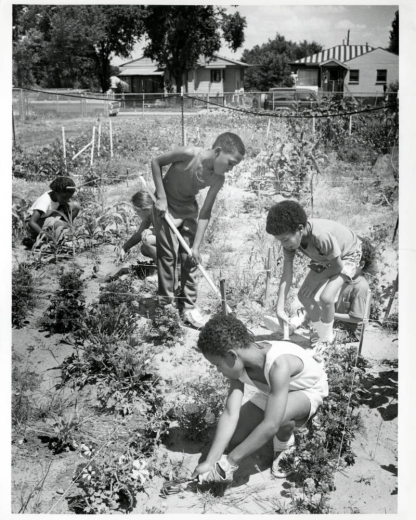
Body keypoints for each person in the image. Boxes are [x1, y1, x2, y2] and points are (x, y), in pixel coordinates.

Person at [191, 315, 328, 482]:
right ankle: (274, 425)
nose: (218, 370)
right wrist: (210, 461)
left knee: (279, 416)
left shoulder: (279, 364)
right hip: (272, 392)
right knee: (233, 440)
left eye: (217, 364)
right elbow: (230, 413)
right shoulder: (237, 365)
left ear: (232, 355)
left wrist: (230, 462)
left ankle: (285, 444)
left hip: (307, 390)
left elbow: (271, 424)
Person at [151, 132, 245, 328]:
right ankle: (166, 307)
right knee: (167, 258)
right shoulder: (189, 154)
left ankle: (189, 307)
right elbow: (156, 162)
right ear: (218, 151)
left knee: (190, 259)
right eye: (230, 163)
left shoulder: (218, 179)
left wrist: (197, 246)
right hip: (165, 207)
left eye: (234, 166)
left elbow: (205, 212)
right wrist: (160, 197)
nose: (231, 169)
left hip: (188, 209)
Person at [266, 200, 363, 355]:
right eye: (279, 240)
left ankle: (326, 338)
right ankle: (320, 332)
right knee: (304, 296)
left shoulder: (320, 235)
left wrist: (317, 279)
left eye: (284, 239)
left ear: (300, 229)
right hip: (325, 258)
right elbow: (287, 274)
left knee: (326, 298)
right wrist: (279, 308)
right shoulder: (290, 243)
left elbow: (338, 266)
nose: (283, 244)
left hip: (347, 256)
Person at [26, 176, 80, 246]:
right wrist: (45, 235)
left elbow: (66, 202)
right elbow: (31, 222)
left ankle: (64, 232)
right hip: (35, 225)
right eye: (64, 198)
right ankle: (47, 236)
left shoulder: (57, 195)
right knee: (61, 225)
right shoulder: (44, 201)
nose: (67, 200)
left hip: (47, 217)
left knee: (75, 206)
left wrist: (65, 204)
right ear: (56, 192)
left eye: (69, 197)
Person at [119, 190, 157, 264]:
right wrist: (125, 247)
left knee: (147, 240)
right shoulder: (148, 217)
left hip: (177, 242)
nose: (137, 214)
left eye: (137, 211)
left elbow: (168, 230)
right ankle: (162, 263)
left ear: (146, 208)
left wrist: (152, 231)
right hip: (167, 242)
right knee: (144, 249)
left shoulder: (158, 213)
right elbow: (139, 234)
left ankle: (165, 268)